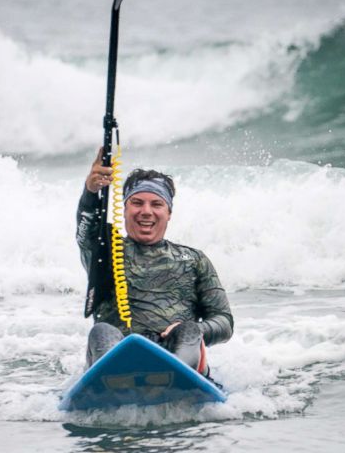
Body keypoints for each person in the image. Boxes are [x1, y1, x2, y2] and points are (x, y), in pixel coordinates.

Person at [77, 148, 233, 373]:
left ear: (168, 212)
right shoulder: (103, 251)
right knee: (101, 331)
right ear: (125, 208)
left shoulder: (194, 259)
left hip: (179, 355)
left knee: (189, 331)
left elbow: (224, 322)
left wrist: (199, 330)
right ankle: (113, 376)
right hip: (117, 359)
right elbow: (86, 229)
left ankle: (176, 375)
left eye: (156, 204)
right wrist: (91, 192)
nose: (146, 211)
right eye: (137, 203)